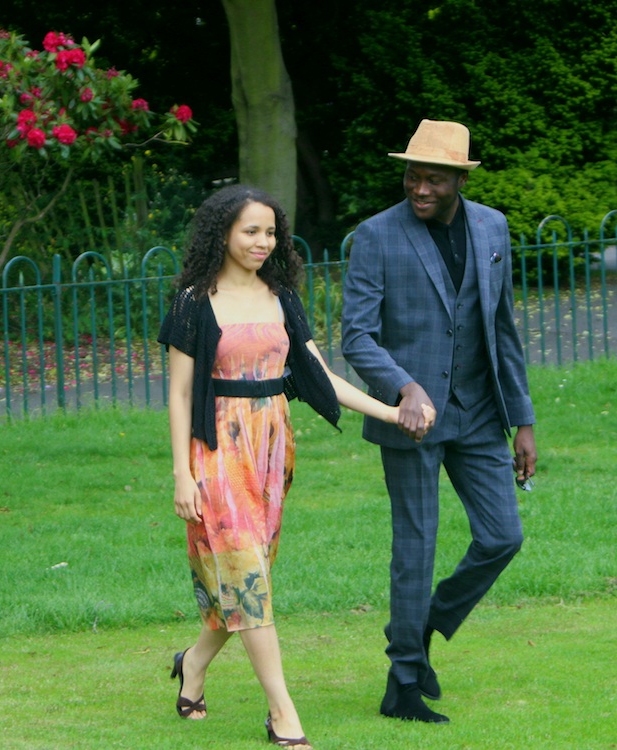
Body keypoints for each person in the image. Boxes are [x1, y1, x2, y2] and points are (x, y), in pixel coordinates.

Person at [158, 184, 433, 748]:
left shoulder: (281, 296)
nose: (263, 242)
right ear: (222, 234)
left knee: (248, 579)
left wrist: (390, 411)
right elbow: (181, 394)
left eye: (270, 232)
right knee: (248, 579)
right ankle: (283, 714)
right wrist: (182, 474)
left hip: (271, 449)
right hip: (217, 449)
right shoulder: (193, 300)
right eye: (250, 231)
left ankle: (193, 663)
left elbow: (317, 373)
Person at [341, 119, 538, 724]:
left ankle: (422, 624)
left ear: (459, 180)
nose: (419, 188)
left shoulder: (492, 227)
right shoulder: (376, 235)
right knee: (416, 546)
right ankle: (402, 682)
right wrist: (405, 387)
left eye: (433, 179)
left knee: (503, 536)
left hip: (480, 414)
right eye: (412, 176)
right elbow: (357, 336)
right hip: (411, 421)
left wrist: (523, 420)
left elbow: (501, 328)